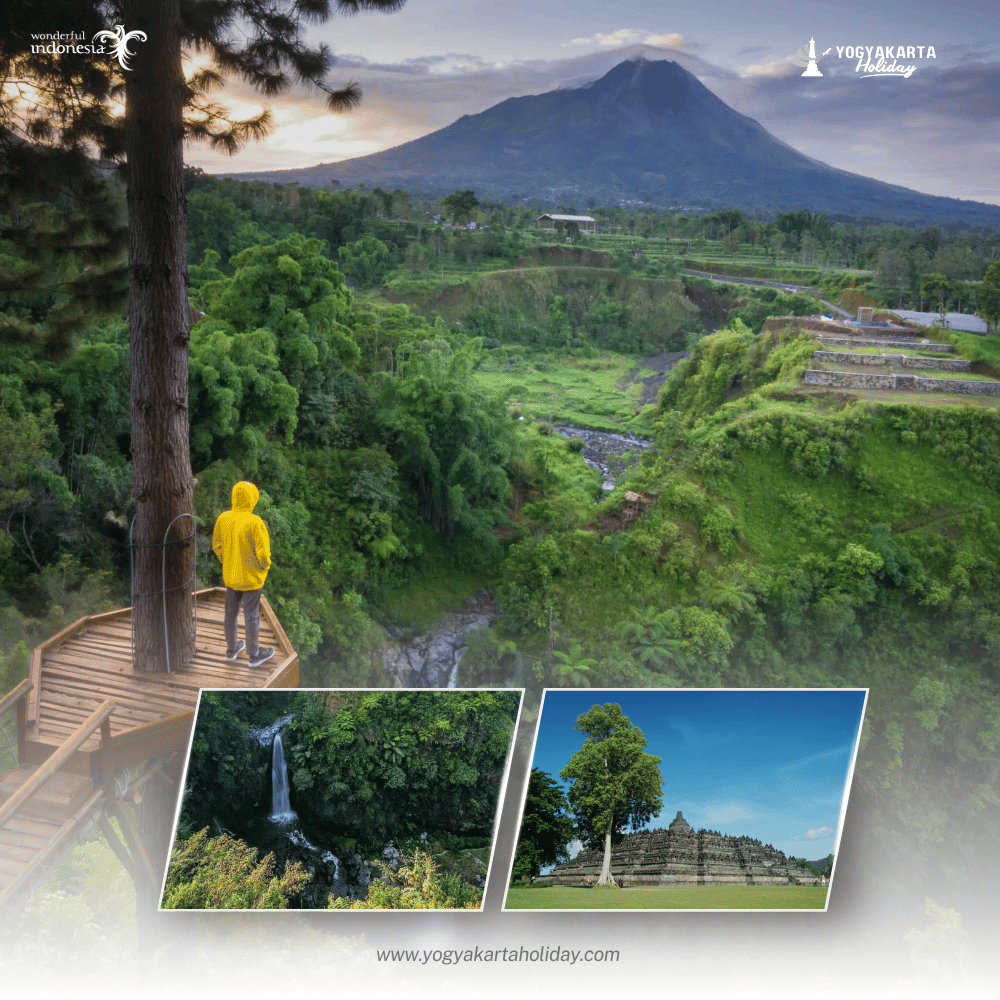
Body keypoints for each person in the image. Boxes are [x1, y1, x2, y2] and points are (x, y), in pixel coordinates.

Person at [212, 481, 274, 667]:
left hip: (231, 576)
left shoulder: (223, 518)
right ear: (252, 498)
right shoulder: (255, 523)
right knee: (251, 614)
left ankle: (231, 650)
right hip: (251, 579)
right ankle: (254, 654)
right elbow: (263, 555)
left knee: (230, 613)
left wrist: (227, 561)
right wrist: (263, 568)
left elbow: (217, 545)